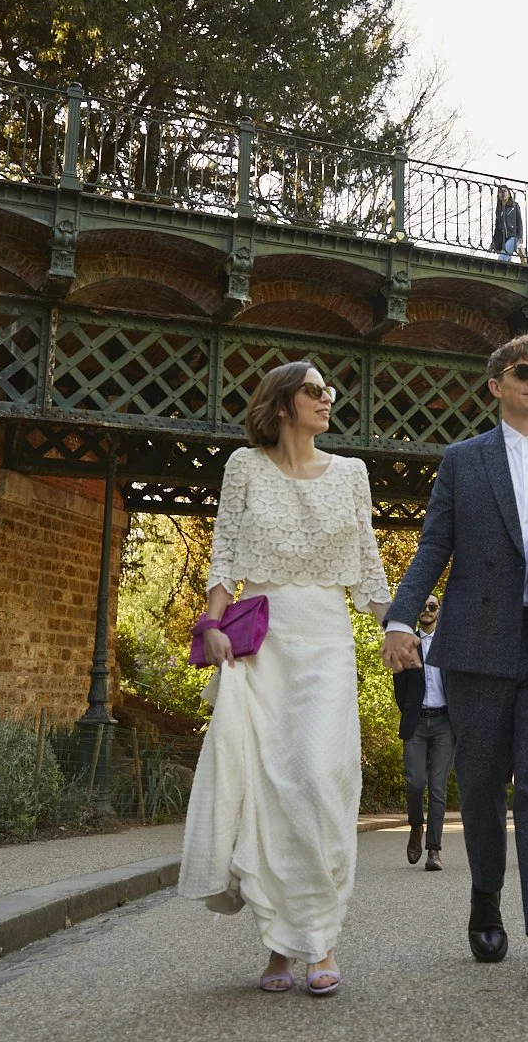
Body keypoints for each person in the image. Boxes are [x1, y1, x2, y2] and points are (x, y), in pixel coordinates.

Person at [381, 334, 528, 998]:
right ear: (496, 384)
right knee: (480, 784)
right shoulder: (463, 460)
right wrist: (401, 618)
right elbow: (434, 545)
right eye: (523, 371)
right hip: (477, 645)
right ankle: (485, 895)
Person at [177, 361, 391, 997]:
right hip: (261, 648)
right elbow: (224, 555)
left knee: (319, 782)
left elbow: (369, 571)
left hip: (326, 643)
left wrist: (405, 621)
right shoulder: (244, 467)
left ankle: (319, 938)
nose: (327, 400)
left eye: (329, 392)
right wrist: (208, 625)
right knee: (269, 793)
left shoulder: (352, 474)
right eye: (313, 391)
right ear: (281, 405)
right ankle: (281, 943)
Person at [393, 593, 454, 871]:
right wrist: (410, 712)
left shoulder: (449, 644)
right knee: (415, 782)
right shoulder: (406, 645)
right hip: (417, 722)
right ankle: (416, 826)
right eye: (423, 606)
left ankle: (433, 850)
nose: (427, 610)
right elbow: (400, 688)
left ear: (439, 611)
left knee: (438, 787)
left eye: (432, 606)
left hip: (445, 723)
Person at [491, 187, 523, 259]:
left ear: (509, 194)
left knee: (501, 259)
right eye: (500, 192)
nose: (502, 193)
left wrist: (520, 236)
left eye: (504, 191)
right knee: (507, 262)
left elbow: (519, 221)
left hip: (513, 237)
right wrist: (494, 242)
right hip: (503, 241)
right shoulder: (499, 211)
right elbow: (497, 228)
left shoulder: (514, 205)